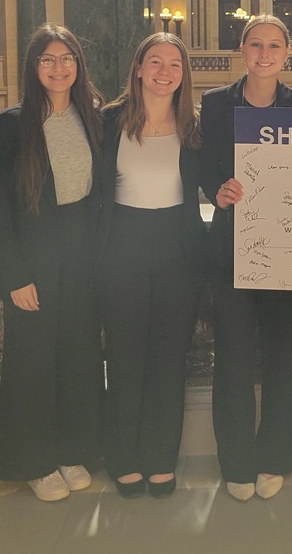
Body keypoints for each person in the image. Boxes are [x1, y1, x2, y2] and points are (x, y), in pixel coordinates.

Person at [0, 24, 105, 502]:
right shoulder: (9, 124)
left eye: (67, 57)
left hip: (83, 253)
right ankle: (34, 461)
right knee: (31, 363)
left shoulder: (90, 116)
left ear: (78, 64)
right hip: (33, 256)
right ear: (33, 68)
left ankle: (73, 449)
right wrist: (15, 275)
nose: (59, 67)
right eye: (48, 59)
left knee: (78, 356)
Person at [200, 15, 292, 502]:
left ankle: (277, 457)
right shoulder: (214, 103)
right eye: (255, 44)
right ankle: (237, 462)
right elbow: (204, 166)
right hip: (231, 248)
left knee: (286, 357)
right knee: (232, 358)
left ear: (286, 54)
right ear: (241, 50)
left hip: (288, 248)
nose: (264, 53)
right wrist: (219, 190)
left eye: (274, 45)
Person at [97, 32, 206, 499]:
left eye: (175, 65)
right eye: (156, 62)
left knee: (167, 360)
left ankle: (161, 458)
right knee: (123, 358)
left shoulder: (195, 127)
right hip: (120, 247)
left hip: (178, 251)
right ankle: (123, 457)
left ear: (184, 76)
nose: (165, 72)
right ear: (138, 68)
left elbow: (219, 179)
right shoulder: (105, 123)